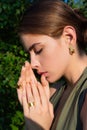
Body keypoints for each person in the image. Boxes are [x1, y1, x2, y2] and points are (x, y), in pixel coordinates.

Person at [17, 0, 87, 130]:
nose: (33, 64)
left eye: (38, 50)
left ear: (69, 37)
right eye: (30, 54)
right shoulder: (50, 94)